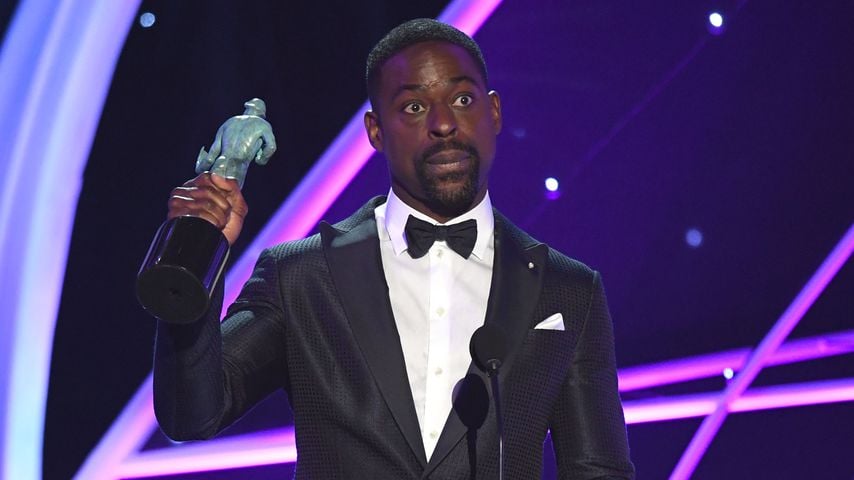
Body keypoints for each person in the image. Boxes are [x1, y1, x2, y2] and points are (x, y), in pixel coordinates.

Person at [153, 18, 635, 479]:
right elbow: (191, 413)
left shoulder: (568, 290)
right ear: (376, 132)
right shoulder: (301, 275)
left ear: (493, 113)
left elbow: (599, 470)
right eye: (414, 107)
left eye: (463, 98)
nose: (444, 124)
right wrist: (195, 251)